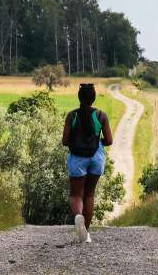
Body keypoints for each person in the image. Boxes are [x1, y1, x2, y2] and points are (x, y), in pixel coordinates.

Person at [62, 83, 113, 243]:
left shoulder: (72, 116)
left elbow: (65, 141)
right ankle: (86, 234)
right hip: (97, 157)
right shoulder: (101, 115)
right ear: (93, 98)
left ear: (79, 97)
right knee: (90, 194)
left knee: (76, 195)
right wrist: (97, 141)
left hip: (77, 158)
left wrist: (76, 141)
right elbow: (109, 140)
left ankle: (79, 216)